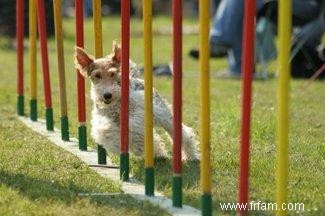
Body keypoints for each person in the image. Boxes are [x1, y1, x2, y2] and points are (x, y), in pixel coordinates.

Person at [189, 0, 325, 79]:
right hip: (277, 4)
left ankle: (220, 44)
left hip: (306, 7)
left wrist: (315, 29)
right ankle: (239, 66)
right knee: (241, 3)